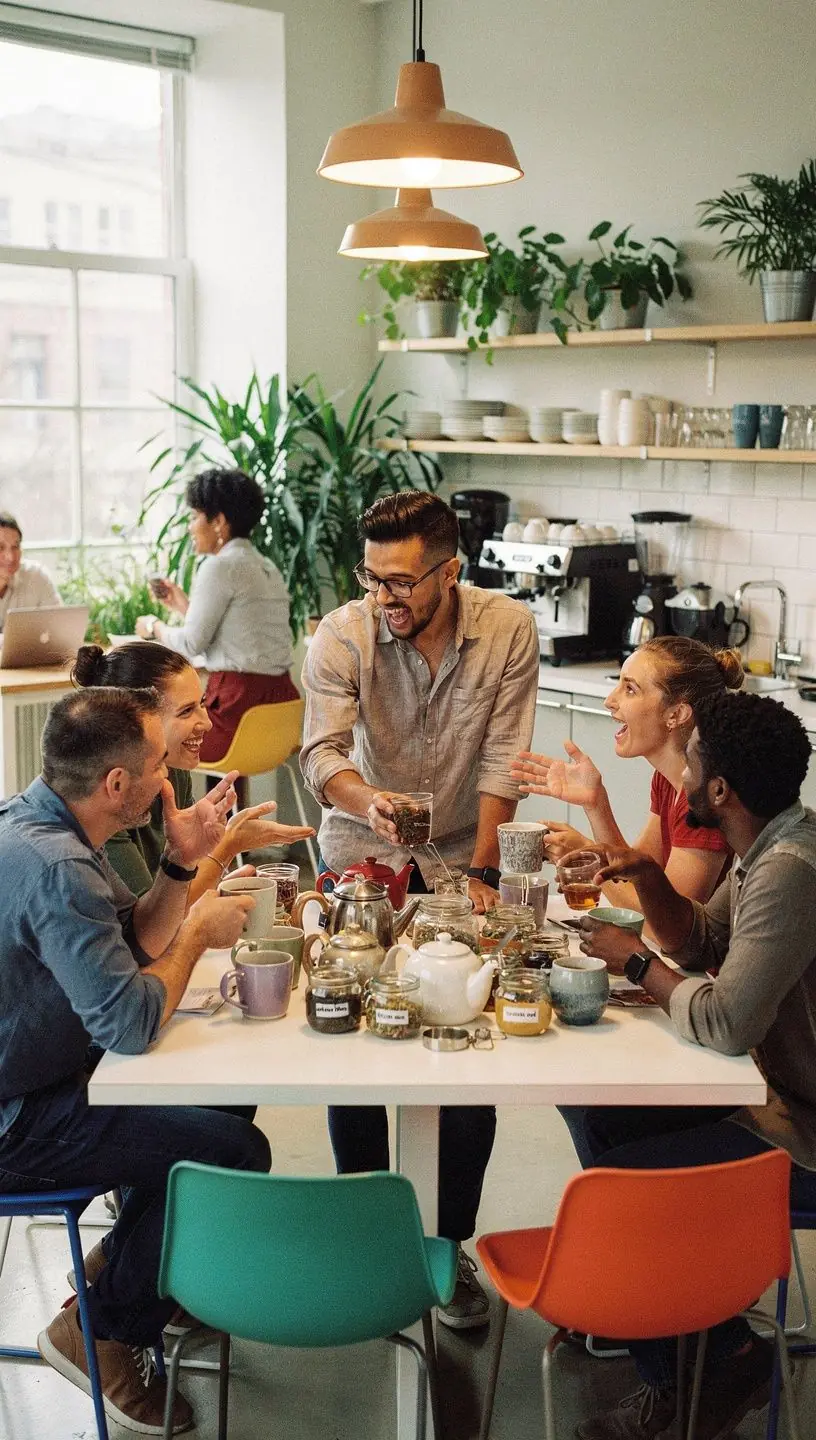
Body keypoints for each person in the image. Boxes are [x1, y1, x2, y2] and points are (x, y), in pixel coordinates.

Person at [0, 687, 272, 1434]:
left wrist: (184, 869)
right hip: (16, 1125)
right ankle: (104, 1333)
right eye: (158, 762)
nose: (170, 775)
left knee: (225, 1102)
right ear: (117, 784)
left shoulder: (43, 824)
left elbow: (131, 947)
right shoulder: (59, 867)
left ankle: (113, 1275)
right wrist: (198, 938)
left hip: (44, 1079)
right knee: (239, 1152)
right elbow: (128, 1023)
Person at [300, 490, 539, 1329]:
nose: (385, 599)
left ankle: (447, 1250)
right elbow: (322, 752)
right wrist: (369, 802)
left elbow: (506, 758)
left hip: (461, 862)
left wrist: (477, 877)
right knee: (353, 1050)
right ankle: (372, 1242)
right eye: (373, 579)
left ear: (450, 571)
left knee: (466, 1058)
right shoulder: (344, 632)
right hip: (359, 859)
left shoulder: (506, 629)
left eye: (401, 582)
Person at [562, 689, 816, 1440]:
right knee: (604, 1113)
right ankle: (686, 1342)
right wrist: (645, 875)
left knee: (625, 1186)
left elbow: (728, 1021)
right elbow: (704, 947)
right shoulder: (766, 842)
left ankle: (712, 1362)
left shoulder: (789, 869)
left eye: (693, 762)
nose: (681, 776)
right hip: (782, 1092)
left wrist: (635, 960)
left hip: (804, 1125)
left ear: (720, 791)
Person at [511, 637, 744, 913]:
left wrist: (591, 861)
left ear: (676, 714)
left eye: (630, 689)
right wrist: (595, 803)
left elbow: (667, 923)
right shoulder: (668, 781)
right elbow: (638, 874)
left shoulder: (704, 800)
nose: (610, 700)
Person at [72, 641, 314, 898]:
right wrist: (229, 845)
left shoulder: (172, 771)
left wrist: (220, 877)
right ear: (136, 721)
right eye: (186, 711)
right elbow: (150, 925)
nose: (207, 723)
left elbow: (184, 882)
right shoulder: (100, 804)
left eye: (202, 704)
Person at [136, 467, 298, 766]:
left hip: (236, 711)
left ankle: (177, 815)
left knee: (151, 744)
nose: (190, 527)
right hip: (278, 712)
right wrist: (184, 607)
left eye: (195, 516)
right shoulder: (265, 566)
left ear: (219, 521)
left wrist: (152, 625)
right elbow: (238, 632)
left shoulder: (218, 566)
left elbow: (191, 645)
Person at [0, 510, 60, 630]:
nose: (10, 557)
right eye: (0, 547)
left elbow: (59, 626)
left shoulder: (36, 576)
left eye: (15, 547)